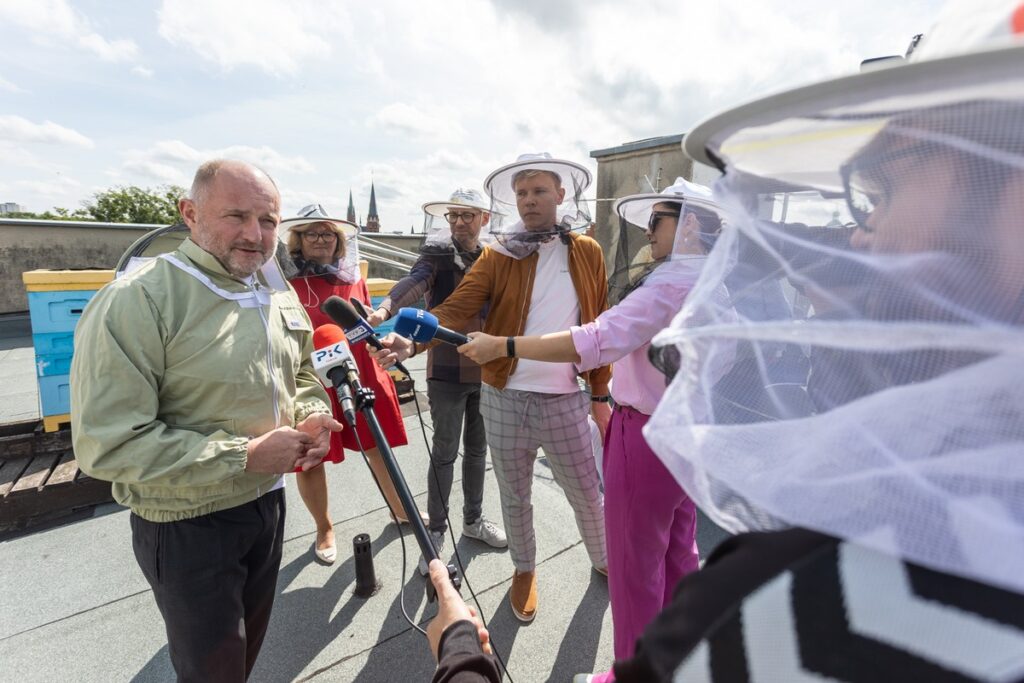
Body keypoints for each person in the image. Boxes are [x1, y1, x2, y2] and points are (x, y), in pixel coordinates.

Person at [610, 2, 1024, 679]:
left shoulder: (800, 603)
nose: (859, 233)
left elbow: (605, 337)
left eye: (884, 192)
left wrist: (462, 654)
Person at [70, 160, 343, 681]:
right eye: (236, 215)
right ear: (190, 214)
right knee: (213, 672)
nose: (255, 234)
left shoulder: (273, 291)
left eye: (268, 220)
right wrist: (245, 455)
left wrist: (311, 414)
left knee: (244, 657)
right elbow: (108, 444)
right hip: (187, 523)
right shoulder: (139, 299)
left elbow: (302, 372)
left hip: (266, 504)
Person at [459, 179, 735, 678]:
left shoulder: (667, 286)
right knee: (679, 551)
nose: (648, 232)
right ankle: (679, 659)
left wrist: (504, 345)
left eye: (657, 221)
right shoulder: (717, 286)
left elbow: (596, 338)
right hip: (690, 433)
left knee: (634, 570)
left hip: (645, 436)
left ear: (690, 225)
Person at [373, 153, 611, 622]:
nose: (529, 200)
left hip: (565, 396)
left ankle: (603, 558)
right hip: (503, 395)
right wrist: (412, 341)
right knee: (514, 494)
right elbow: (458, 306)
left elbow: (599, 325)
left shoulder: (587, 251)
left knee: (587, 491)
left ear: (561, 194)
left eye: (539, 191)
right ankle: (524, 569)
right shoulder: (500, 252)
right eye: (521, 193)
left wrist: (600, 394)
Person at [366, 189, 507, 576]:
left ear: (484, 219)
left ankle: (473, 520)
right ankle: (437, 531)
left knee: (477, 451)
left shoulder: (493, 257)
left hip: (485, 369)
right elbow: (413, 282)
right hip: (446, 370)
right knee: (445, 452)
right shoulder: (437, 256)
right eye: (453, 216)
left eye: (467, 215)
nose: (459, 222)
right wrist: (384, 310)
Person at [280, 204, 421, 563]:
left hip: (358, 367)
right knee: (311, 456)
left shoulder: (350, 274)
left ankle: (399, 509)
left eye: (328, 233)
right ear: (298, 240)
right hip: (309, 375)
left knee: (377, 444)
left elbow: (363, 320)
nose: (321, 239)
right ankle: (324, 527)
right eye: (312, 233)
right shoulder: (282, 281)